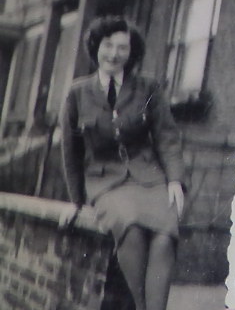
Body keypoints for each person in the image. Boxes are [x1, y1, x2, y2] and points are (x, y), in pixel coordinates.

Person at [62, 16, 185, 310]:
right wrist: (76, 201)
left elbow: (167, 137)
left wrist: (175, 180)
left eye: (122, 48)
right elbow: (71, 151)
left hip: (150, 179)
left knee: (166, 235)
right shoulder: (77, 93)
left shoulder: (147, 88)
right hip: (106, 183)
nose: (114, 54)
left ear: (132, 53)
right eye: (107, 45)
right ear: (95, 47)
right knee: (129, 227)